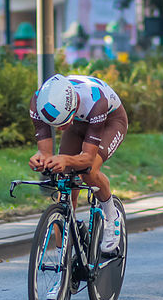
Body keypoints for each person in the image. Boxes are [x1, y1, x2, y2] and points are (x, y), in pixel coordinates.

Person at [28, 73, 128, 255]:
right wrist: (41, 158)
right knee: (64, 183)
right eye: (55, 125)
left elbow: (88, 158)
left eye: (62, 124)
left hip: (109, 122)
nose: (58, 130)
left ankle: (111, 215)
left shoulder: (97, 101)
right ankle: (63, 256)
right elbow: (45, 152)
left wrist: (65, 159)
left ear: (73, 108)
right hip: (78, 121)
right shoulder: (38, 101)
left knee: (88, 171)